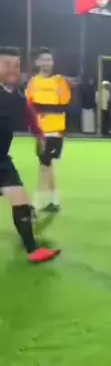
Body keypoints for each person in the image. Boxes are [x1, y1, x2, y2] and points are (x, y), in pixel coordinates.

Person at [0, 47, 60, 264]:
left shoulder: (16, 97)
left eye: (16, 66)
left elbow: (29, 115)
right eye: (7, 65)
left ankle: (33, 250)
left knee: (21, 201)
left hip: (2, 160)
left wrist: (39, 136)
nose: (12, 70)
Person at [26, 48, 71, 214]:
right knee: (47, 164)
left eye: (49, 60)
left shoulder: (60, 81)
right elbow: (29, 104)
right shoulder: (33, 82)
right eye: (44, 60)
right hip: (40, 130)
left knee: (44, 165)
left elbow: (65, 101)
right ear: (37, 62)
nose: (47, 63)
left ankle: (36, 204)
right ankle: (54, 201)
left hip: (54, 129)